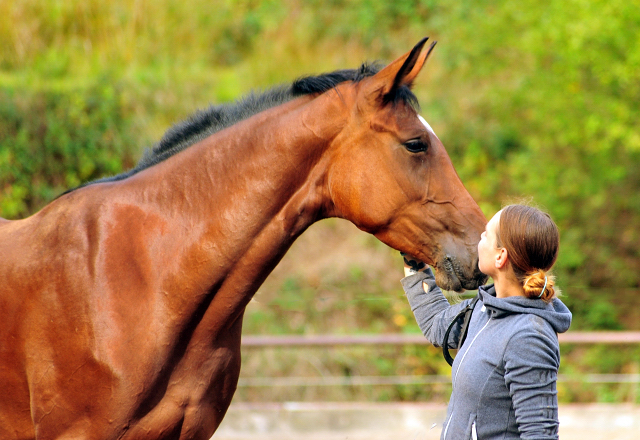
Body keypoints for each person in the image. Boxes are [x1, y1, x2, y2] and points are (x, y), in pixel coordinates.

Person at [401, 204, 572, 440]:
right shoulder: (484, 307)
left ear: (501, 256)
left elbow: (539, 435)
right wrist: (412, 258)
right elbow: (437, 325)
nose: (478, 239)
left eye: (485, 234)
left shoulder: (530, 336)